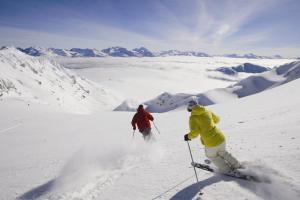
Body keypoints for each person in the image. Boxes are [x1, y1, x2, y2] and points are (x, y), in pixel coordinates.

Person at [184, 99, 241, 173]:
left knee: (212, 156)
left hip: (210, 142)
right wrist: (208, 123)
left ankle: (227, 170)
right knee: (223, 152)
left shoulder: (193, 118)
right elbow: (217, 120)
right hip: (220, 137)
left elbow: (195, 133)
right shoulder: (207, 110)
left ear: (190, 108)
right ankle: (237, 165)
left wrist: (188, 136)